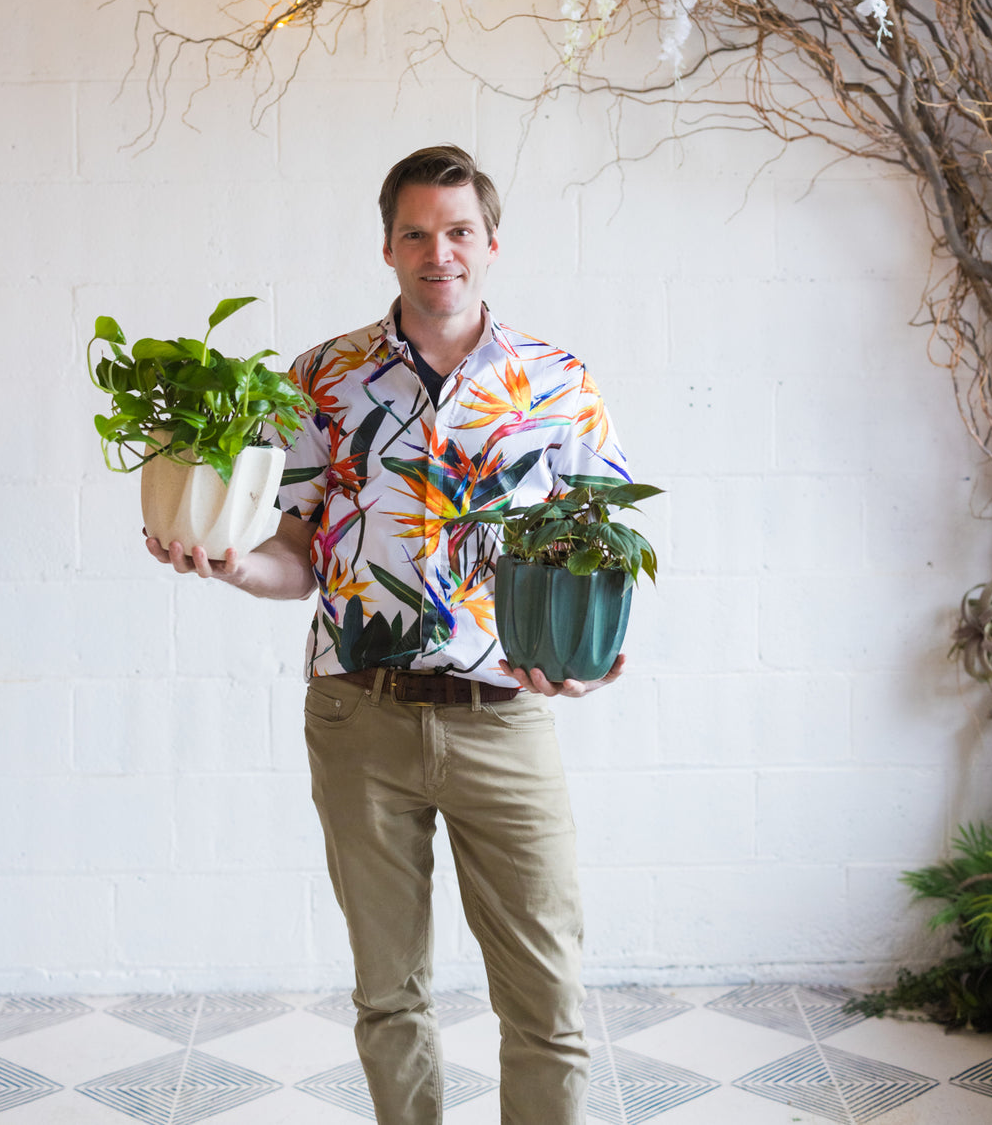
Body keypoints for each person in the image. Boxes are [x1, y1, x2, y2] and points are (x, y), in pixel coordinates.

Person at [147, 144, 632, 1125]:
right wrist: (234, 563)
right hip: (357, 719)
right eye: (416, 230)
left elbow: (604, 543)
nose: (438, 250)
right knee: (389, 992)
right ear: (387, 246)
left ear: (492, 243)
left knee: (548, 1000)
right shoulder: (325, 377)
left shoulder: (557, 381)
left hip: (505, 718)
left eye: (458, 230)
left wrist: (596, 654)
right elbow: (295, 553)